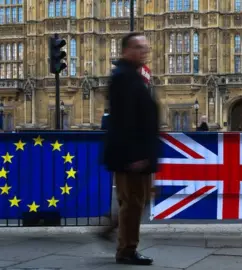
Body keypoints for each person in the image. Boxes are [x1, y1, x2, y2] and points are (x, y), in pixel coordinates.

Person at [101, 32, 159, 266]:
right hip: (131, 155)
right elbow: (124, 120)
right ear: (126, 50)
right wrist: (135, 155)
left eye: (146, 47)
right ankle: (126, 250)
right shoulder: (123, 77)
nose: (144, 50)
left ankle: (114, 230)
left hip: (139, 152)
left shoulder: (133, 75)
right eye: (138, 47)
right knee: (133, 202)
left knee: (138, 201)